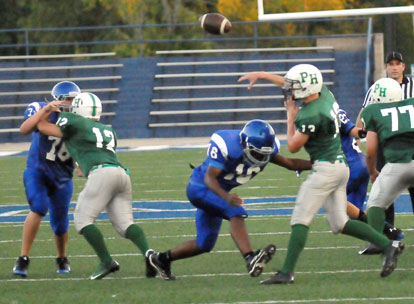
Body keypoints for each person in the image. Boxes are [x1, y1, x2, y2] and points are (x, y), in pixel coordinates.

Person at [239, 64, 404, 284]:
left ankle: (287, 272)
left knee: (300, 218)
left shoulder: (310, 114)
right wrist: (263, 75)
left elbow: (294, 146)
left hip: (325, 170)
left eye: (295, 87)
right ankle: (388, 246)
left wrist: (290, 116)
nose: (290, 90)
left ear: (306, 88)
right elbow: (289, 83)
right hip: (340, 166)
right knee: (340, 223)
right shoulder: (325, 94)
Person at [148, 119, 312, 280]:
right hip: (200, 188)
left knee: (204, 243)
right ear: (245, 144)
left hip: (216, 194)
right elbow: (209, 178)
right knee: (235, 211)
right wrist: (226, 196)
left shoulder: (264, 150)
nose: (261, 157)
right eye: (256, 152)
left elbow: (290, 163)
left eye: (264, 153)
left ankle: (161, 259)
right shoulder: (227, 145)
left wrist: (319, 163)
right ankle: (250, 258)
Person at [36, 92, 156, 280]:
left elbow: (42, 127)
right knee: (125, 224)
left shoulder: (73, 120)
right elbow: (93, 151)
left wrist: (45, 110)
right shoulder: (108, 130)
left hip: (102, 174)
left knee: (82, 220)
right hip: (121, 174)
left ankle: (106, 261)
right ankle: (149, 253)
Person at [13, 81, 80, 277]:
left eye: (74, 99)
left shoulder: (77, 118)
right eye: (68, 98)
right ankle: (23, 258)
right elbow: (24, 129)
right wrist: (45, 111)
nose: (71, 102)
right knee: (39, 207)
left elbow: (76, 146)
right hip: (38, 170)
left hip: (62, 176)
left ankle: (62, 257)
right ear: (58, 99)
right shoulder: (39, 109)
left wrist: (79, 165)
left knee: (60, 223)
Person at [356, 51, 411, 254]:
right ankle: (385, 236)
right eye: (391, 64)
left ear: (403, 66)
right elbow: (363, 116)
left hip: (402, 149)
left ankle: (383, 241)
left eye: (398, 63)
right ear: (386, 67)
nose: (394, 67)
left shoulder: (411, 87)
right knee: (383, 197)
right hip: (385, 146)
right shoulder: (376, 88)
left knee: (378, 197)